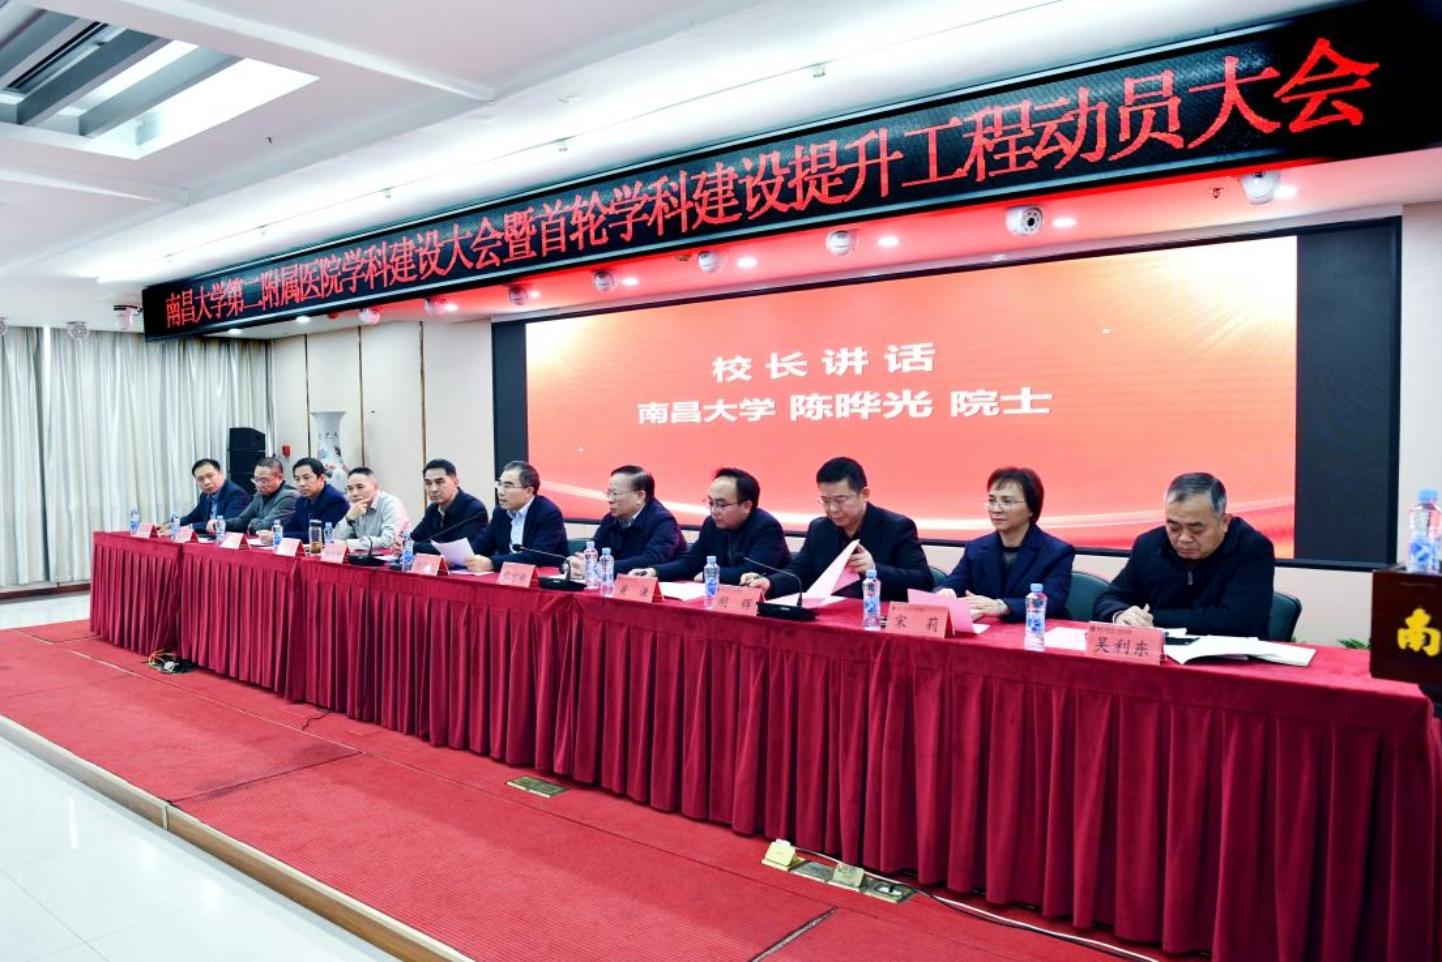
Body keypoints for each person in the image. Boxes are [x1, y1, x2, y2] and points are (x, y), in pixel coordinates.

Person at [1093, 472, 1275, 637]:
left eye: (1196, 529)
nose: (1184, 538)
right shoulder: (1149, 545)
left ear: (1224, 522)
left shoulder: (1253, 548)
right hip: (1161, 656)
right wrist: (1119, 615)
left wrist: (1153, 617)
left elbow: (1238, 622)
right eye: (1174, 527)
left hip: (1231, 658)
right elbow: (1110, 598)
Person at [741, 456, 931, 602]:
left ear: (864, 494)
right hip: (830, 616)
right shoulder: (819, 529)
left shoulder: (896, 527)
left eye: (840, 500)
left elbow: (923, 581)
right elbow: (800, 571)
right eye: (825, 501)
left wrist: (875, 569)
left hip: (875, 619)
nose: (832, 509)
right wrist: (769, 583)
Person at [936, 467, 1074, 621]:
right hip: (988, 632)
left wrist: (1003, 607)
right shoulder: (976, 548)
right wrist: (944, 593)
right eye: (991, 501)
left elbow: (1053, 601)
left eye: (1007, 501)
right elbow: (953, 584)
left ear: (1031, 509)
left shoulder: (1056, 552)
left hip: (1037, 630)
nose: (996, 509)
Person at [631, 467, 790, 583]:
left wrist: (710, 575)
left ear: (746, 506)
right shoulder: (711, 524)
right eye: (711, 502)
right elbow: (692, 562)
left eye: (721, 504)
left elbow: (755, 572)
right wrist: (655, 571)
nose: (714, 511)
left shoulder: (767, 528)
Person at [567, 465, 686, 575]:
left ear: (640, 496)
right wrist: (574, 563)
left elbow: (650, 560)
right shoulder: (610, 519)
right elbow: (593, 550)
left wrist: (599, 568)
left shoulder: (664, 522)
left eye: (615, 493)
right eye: (608, 493)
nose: (610, 499)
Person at [465, 460, 568, 572]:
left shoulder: (548, 513)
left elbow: (537, 556)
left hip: (545, 576)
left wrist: (492, 563)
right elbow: (482, 544)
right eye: (500, 484)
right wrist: (462, 557)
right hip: (508, 576)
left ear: (528, 491)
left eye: (508, 486)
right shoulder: (500, 513)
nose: (500, 492)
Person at [410, 458, 489, 554]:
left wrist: (413, 546)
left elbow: (459, 551)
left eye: (439, 482)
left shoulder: (475, 510)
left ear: (456, 482)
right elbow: (414, 538)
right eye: (428, 483)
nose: (433, 489)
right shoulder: (433, 509)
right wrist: (402, 542)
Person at [264, 457, 348, 544]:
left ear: (322, 478)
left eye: (306, 478)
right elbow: (291, 527)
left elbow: (322, 535)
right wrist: (275, 533)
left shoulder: (334, 500)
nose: (301, 484)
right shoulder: (301, 501)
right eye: (297, 479)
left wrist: (281, 536)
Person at [331, 466, 410, 554]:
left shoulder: (390, 503)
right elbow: (335, 540)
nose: (354, 493)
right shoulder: (355, 507)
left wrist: (349, 544)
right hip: (364, 558)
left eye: (360, 487)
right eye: (350, 489)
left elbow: (388, 541)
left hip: (396, 559)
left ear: (376, 487)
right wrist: (349, 518)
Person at [166, 458, 249, 535]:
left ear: (220, 473)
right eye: (200, 479)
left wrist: (189, 527)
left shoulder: (236, 494)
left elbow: (226, 524)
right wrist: (172, 524)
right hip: (211, 539)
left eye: (210, 476)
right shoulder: (205, 495)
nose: (206, 482)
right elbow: (192, 517)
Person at [216, 457, 297, 535]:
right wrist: (220, 523)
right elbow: (242, 521)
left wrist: (252, 522)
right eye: (256, 480)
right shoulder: (260, 494)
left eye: (264, 480)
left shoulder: (289, 497)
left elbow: (265, 527)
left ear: (279, 477)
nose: (259, 485)